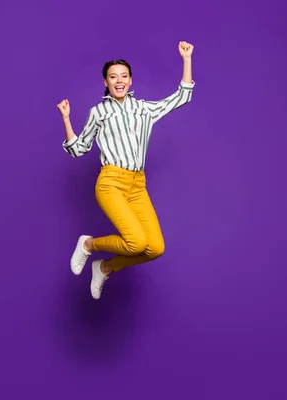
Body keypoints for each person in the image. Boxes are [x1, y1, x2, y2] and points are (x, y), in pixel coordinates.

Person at [56, 41, 195, 300]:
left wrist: (186, 59)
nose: (118, 81)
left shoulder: (144, 109)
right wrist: (66, 119)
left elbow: (182, 97)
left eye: (123, 76)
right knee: (136, 242)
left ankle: (105, 267)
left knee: (154, 248)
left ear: (130, 81)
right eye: (112, 77)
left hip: (137, 185)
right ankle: (88, 244)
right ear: (105, 83)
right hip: (110, 182)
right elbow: (79, 149)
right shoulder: (98, 112)